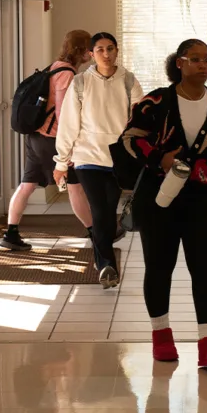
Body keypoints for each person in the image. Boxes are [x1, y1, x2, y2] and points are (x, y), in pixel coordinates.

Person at [119, 39, 207, 367]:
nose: (203, 65)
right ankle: (161, 336)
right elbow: (130, 139)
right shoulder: (156, 102)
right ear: (180, 63)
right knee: (160, 267)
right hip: (158, 199)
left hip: (201, 200)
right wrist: (159, 159)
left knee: (205, 269)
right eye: (196, 59)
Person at [54, 32, 144, 288]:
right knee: (100, 209)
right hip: (87, 156)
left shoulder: (128, 81)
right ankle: (106, 264)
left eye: (110, 48)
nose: (106, 54)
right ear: (91, 54)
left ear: (117, 51)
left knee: (108, 209)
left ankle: (103, 260)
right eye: (100, 49)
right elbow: (69, 123)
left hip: (117, 158)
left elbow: (139, 118)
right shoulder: (81, 82)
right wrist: (61, 162)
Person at [1, 30, 94, 251]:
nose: (91, 53)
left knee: (27, 184)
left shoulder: (54, 67)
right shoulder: (66, 74)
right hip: (51, 140)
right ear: (81, 50)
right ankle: (95, 232)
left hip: (36, 137)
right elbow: (64, 114)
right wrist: (68, 146)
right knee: (75, 186)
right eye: (89, 48)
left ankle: (11, 233)